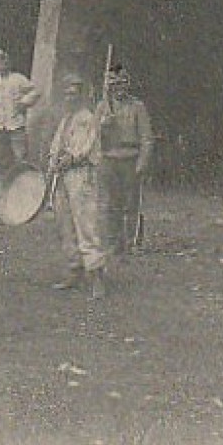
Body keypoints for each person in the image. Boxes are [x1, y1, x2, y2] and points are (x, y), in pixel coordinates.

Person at [48, 72, 110, 296]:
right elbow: (56, 147)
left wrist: (71, 157)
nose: (69, 98)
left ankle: (96, 275)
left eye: (74, 94)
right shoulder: (66, 120)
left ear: (81, 96)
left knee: (85, 223)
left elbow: (85, 147)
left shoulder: (87, 118)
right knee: (64, 223)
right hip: (62, 177)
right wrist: (53, 161)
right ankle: (74, 268)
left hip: (80, 175)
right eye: (66, 94)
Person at [91, 64, 154, 254]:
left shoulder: (137, 107)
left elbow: (146, 138)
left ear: (128, 85)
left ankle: (133, 242)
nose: (119, 87)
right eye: (115, 84)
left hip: (130, 159)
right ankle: (113, 242)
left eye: (123, 83)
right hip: (109, 159)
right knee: (111, 203)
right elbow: (92, 136)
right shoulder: (102, 107)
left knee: (132, 203)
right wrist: (103, 125)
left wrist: (143, 161)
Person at [0, 48, 39, 172]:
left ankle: (20, 181)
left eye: (5, 62)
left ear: (9, 63)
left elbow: (35, 92)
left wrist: (23, 103)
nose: (2, 65)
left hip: (16, 123)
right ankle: (1, 182)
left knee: (20, 155)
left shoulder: (18, 79)